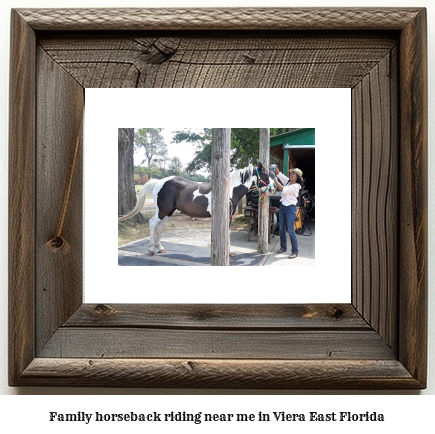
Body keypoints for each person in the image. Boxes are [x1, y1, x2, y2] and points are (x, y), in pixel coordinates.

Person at [273, 165, 303, 259]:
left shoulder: (296, 186)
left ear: (297, 177)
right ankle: (283, 247)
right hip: (283, 207)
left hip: (291, 208)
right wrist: (274, 167)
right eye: (290, 173)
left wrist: (274, 179)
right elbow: (279, 174)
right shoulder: (288, 182)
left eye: (293, 174)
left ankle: (295, 251)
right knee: (282, 228)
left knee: (290, 230)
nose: (291, 174)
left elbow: (282, 189)